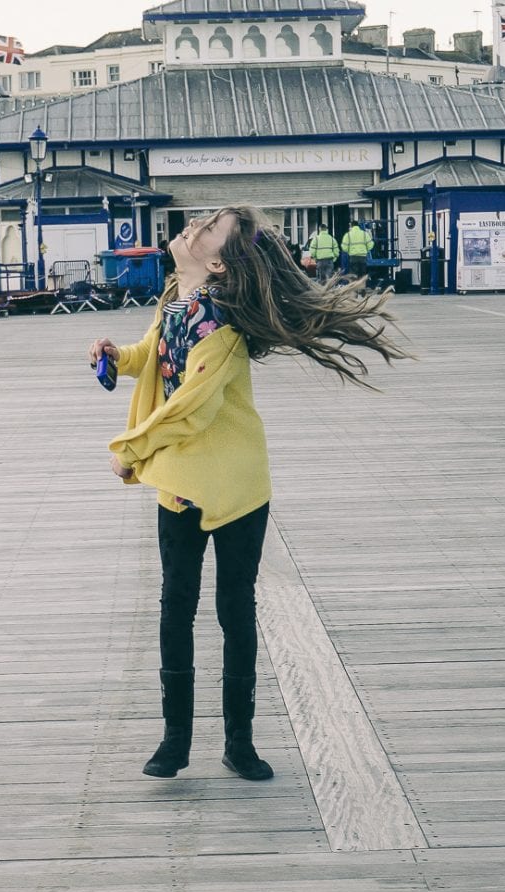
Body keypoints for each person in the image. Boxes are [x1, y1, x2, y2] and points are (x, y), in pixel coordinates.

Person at [89, 205, 408, 780]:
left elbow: (193, 405)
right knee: (174, 606)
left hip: (234, 483)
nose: (195, 224)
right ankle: (175, 741)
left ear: (215, 261)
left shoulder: (225, 325)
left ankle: (240, 742)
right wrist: (119, 356)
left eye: (210, 227)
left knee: (234, 609)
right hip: (180, 484)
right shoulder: (177, 301)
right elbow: (157, 360)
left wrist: (130, 449)